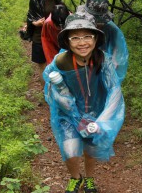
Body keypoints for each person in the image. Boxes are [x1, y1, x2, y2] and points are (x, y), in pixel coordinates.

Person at [43, 14, 125, 193]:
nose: (82, 43)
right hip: (68, 113)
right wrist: (62, 100)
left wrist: (102, 121)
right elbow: (50, 84)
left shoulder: (103, 60)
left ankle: (89, 178)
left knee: (91, 148)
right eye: (75, 38)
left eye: (87, 36)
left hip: (96, 112)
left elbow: (115, 92)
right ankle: (75, 178)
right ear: (67, 40)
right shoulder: (61, 61)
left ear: (95, 38)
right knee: (70, 150)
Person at [76, 0, 129, 84]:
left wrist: (112, 81)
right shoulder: (78, 25)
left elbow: (120, 58)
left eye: (100, 22)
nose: (97, 25)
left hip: (102, 72)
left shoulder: (112, 30)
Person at [26, 0, 62, 86]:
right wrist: (35, 23)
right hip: (39, 35)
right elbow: (30, 15)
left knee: (56, 61)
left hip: (53, 35)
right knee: (42, 64)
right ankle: (46, 90)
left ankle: (57, 87)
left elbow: (62, 11)